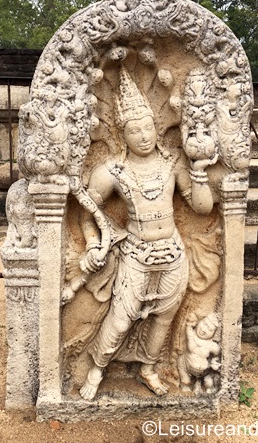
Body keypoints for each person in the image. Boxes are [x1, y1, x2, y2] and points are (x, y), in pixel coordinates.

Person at [79, 67, 214, 400]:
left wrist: (198, 170)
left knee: (163, 319)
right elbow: (87, 213)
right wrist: (93, 243)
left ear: (156, 127)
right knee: (121, 318)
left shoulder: (173, 163)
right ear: (122, 135)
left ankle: (148, 368)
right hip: (136, 253)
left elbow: (202, 209)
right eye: (134, 130)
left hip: (173, 253)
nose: (143, 136)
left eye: (148, 128)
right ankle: (96, 368)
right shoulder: (111, 171)